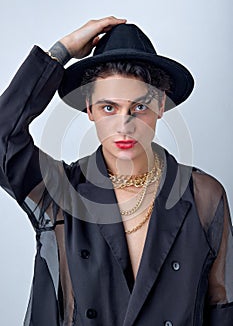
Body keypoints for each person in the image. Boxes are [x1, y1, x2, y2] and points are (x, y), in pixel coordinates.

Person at [0, 16, 232, 326]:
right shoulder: (59, 194)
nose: (125, 126)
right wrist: (61, 51)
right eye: (109, 107)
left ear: (161, 105)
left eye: (139, 107)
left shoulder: (203, 195)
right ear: (89, 109)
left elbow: (224, 306)